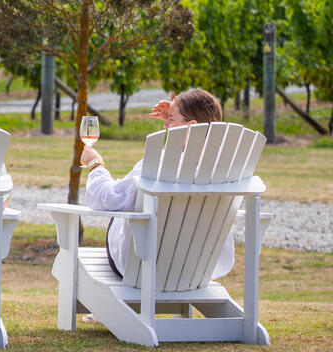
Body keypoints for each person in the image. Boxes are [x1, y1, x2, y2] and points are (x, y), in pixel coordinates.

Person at [81, 89, 234, 280]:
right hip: (198, 270)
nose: (165, 125)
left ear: (192, 126)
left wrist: (96, 164)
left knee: (125, 203)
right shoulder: (227, 169)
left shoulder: (158, 165)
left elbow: (106, 199)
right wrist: (176, 116)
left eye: (170, 119)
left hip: (142, 268)